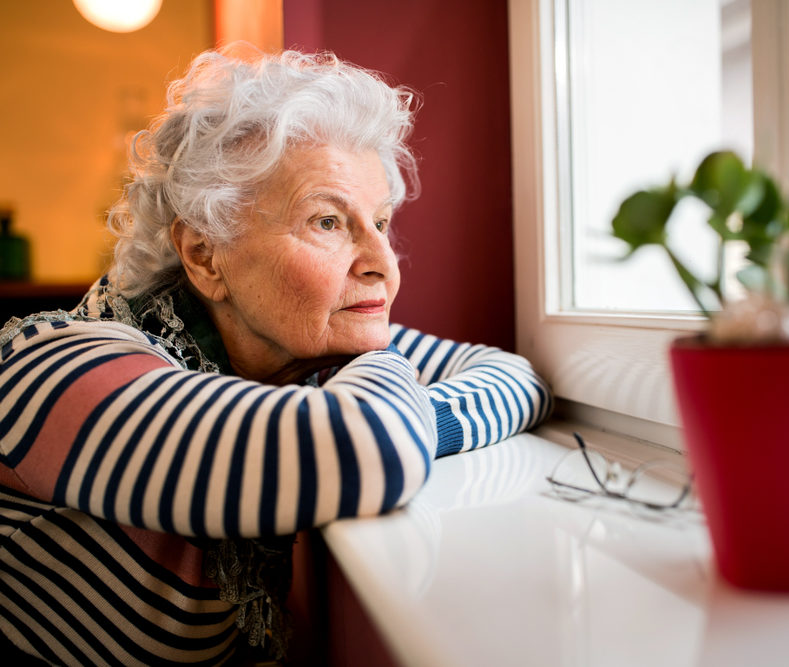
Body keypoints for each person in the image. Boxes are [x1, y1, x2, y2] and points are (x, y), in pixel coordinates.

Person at [0, 48, 551, 665]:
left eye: (381, 221)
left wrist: (394, 396)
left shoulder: (300, 351)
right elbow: (372, 446)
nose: (383, 263)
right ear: (207, 256)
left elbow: (514, 377)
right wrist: (386, 394)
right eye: (327, 222)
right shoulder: (49, 368)